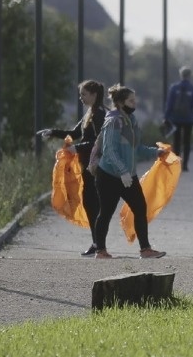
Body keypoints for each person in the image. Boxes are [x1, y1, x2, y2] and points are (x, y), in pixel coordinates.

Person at [91, 84, 168, 259]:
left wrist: (156, 152)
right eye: (131, 101)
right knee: (106, 212)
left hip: (128, 176)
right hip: (109, 176)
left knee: (140, 208)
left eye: (135, 100)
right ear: (120, 102)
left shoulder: (131, 121)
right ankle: (100, 251)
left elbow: (136, 148)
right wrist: (123, 171)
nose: (135, 104)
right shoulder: (113, 121)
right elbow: (109, 150)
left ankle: (145, 249)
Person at [38, 79, 107, 256]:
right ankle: (97, 243)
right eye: (80, 94)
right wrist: (53, 132)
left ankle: (99, 245)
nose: (81, 98)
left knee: (94, 204)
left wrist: (77, 148)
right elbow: (75, 133)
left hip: (97, 166)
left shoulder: (100, 114)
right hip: (87, 165)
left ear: (94, 95)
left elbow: (99, 141)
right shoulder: (90, 113)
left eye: (84, 94)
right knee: (90, 204)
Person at [165, 66, 193, 172]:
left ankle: (176, 164)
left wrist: (166, 116)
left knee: (176, 141)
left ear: (181, 75)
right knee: (187, 142)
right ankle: (185, 165)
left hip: (175, 118)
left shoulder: (174, 88)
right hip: (189, 118)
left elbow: (169, 104)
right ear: (190, 75)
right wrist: (189, 106)